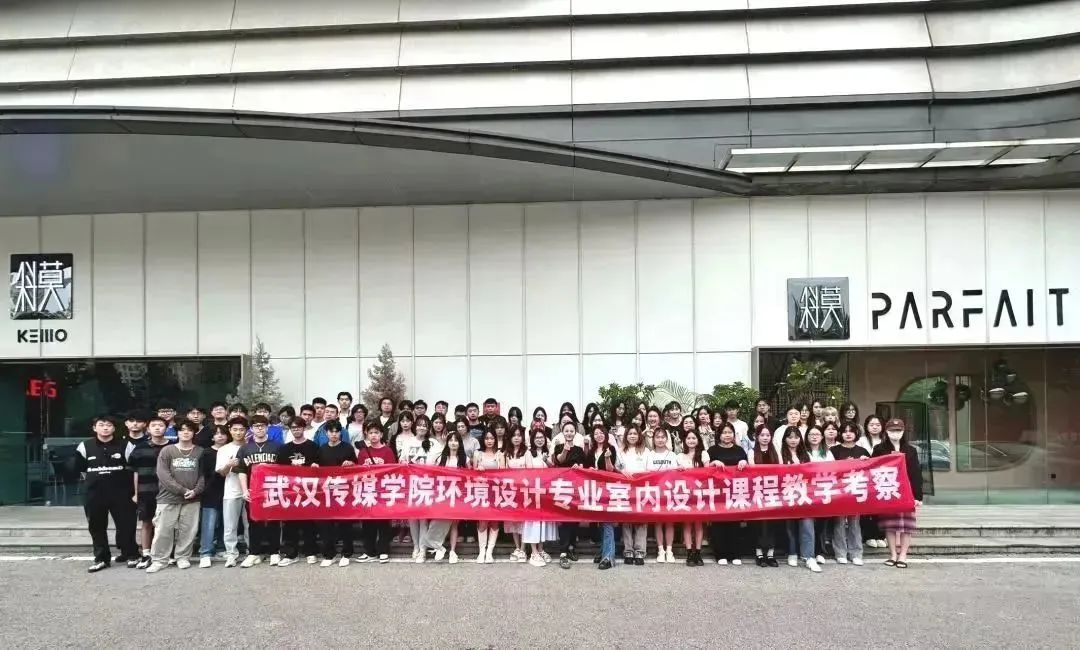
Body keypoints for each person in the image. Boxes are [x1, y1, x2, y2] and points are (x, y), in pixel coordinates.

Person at [76, 415, 141, 573]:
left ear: (114, 428)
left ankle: (131, 555)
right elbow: (81, 469)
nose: (105, 428)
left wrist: (135, 493)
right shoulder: (84, 446)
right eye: (101, 425)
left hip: (122, 493)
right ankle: (101, 558)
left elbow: (134, 469)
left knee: (126, 524)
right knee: (96, 526)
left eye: (109, 425)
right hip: (94, 494)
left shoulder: (126, 445)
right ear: (94, 428)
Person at [145, 420, 205, 573]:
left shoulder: (200, 451)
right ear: (177, 432)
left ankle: (182, 557)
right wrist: (182, 490)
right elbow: (163, 475)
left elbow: (203, 475)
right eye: (182, 429)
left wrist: (196, 491)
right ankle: (159, 560)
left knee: (188, 530)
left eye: (189, 430)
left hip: (192, 499)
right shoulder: (167, 451)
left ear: (194, 432)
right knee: (163, 530)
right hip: (168, 498)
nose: (186, 432)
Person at [872, 418, 924, 569]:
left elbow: (916, 474)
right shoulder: (879, 449)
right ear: (886, 432)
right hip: (888, 490)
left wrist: (918, 496)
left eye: (898, 430)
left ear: (903, 432)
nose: (895, 433)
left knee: (907, 525)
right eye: (892, 430)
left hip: (907, 492)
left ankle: (903, 555)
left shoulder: (911, 450)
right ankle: (893, 554)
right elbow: (873, 467)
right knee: (890, 524)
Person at [126, 413, 172, 569]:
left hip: (168, 492)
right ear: (148, 429)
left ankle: (166, 553)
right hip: (146, 491)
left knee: (167, 523)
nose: (157, 428)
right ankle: (146, 554)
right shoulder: (140, 448)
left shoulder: (173, 447)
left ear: (166, 428)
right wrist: (135, 493)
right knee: (146, 522)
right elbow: (135, 472)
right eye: (154, 425)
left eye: (161, 425)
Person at [237, 415, 282, 568]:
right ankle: (254, 553)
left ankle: (274, 552)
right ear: (251, 429)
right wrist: (244, 490)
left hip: (272, 489)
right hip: (254, 490)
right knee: (254, 522)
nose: (260, 428)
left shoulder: (277, 447)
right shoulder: (245, 448)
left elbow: (283, 470)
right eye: (256, 426)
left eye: (262, 425)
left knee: (273, 521)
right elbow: (241, 471)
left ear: (267, 427)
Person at [276, 418, 320, 567]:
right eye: (293, 428)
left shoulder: (313, 446)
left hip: (308, 490)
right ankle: (290, 554)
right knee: (290, 523)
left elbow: (320, 467)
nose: (296, 430)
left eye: (299, 427)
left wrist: (315, 466)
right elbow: (279, 469)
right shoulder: (284, 449)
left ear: (304, 428)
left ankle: (311, 552)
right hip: (290, 491)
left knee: (309, 523)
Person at [779, 427, 821, 573]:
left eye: (796, 437)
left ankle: (809, 557)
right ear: (785, 439)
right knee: (790, 525)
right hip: (787, 494)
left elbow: (813, 473)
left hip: (804, 494)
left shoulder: (806, 454)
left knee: (807, 525)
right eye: (790, 437)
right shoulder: (780, 454)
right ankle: (792, 552)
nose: (793, 440)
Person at [423, 431, 468, 564]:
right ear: (447, 442)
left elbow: (470, 476)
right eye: (451, 440)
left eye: (456, 440)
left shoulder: (465, 459)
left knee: (454, 524)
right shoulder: (440, 458)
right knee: (437, 521)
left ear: (459, 443)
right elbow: (433, 474)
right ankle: (438, 546)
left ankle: (453, 551)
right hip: (442, 495)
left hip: (457, 495)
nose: (453, 443)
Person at [316, 420, 357, 568]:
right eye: (331, 431)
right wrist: (314, 466)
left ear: (341, 433)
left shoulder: (347, 448)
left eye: (336, 431)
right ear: (326, 433)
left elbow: (356, 467)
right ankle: (329, 554)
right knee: (326, 525)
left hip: (343, 491)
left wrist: (351, 464)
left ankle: (346, 554)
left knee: (345, 524)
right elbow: (316, 468)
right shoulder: (321, 449)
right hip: (326, 492)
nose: (334, 434)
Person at [706, 421, 748, 565]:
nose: (727, 435)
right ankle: (720, 554)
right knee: (719, 523)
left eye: (730, 432)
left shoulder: (739, 450)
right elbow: (704, 469)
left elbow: (747, 467)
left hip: (736, 491)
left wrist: (744, 463)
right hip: (718, 491)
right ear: (719, 434)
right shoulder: (712, 450)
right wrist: (713, 463)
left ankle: (735, 554)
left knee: (735, 523)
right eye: (724, 432)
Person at [358, 419, 396, 563]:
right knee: (368, 522)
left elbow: (392, 470)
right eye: (371, 433)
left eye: (376, 432)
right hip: (368, 490)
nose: (373, 435)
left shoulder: (387, 451)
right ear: (366, 435)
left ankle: (383, 550)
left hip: (383, 490)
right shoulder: (363, 452)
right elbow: (358, 472)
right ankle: (369, 551)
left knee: (383, 522)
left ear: (381, 434)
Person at [831, 423, 870, 566]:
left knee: (855, 522)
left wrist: (864, 462)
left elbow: (870, 470)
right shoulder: (833, 450)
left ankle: (856, 553)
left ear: (856, 433)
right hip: (839, 491)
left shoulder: (862, 450)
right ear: (840, 434)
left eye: (851, 431)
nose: (848, 434)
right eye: (845, 431)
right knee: (839, 522)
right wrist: (844, 464)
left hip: (856, 491)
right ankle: (840, 553)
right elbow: (828, 470)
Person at [393, 412, 427, 561]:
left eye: (425, 425)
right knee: (412, 516)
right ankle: (416, 546)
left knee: (423, 518)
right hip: (410, 482)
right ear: (415, 426)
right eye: (419, 425)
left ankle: (423, 549)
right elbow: (401, 460)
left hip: (426, 483)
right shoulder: (408, 442)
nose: (422, 428)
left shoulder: (433, 443)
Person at [553, 421, 587, 569]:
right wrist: (565, 451)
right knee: (564, 519)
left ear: (575, 432)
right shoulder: (558, 447)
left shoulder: (579, 449)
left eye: (571, 431)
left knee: (574, 519)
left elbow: (584, 466)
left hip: (576, 488)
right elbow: (558, 461)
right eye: (566, 431)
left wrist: (579, 467)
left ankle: (572, 547)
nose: (569, 433)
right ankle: (563, 552)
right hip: (562, 487)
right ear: (562, 432)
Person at [217, 416, 248, 568]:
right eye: (235, 429)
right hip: (231, 490)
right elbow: (221, 473)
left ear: (246, 430)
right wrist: (228, 464)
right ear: (230, 430)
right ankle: (231, 553)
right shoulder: (224, 449)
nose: (238, 432)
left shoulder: (251, 446)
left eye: (241, 429)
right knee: (230, 525)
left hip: (250, 490)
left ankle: (251, 552)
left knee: (250, 524)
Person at [644, 427, 679, 564]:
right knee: (658, 522)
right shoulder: (650, 454)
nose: (660, 439)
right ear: (653, 439)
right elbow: (647, 473)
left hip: (670, 492)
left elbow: (676, 473)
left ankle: (669, 550)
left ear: (667, 439)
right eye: (657, 437)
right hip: (655, 492)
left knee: (669, 522)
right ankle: (660, 550)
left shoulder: (672, 455)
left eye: (663, 437)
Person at [587, 425, 619, 570]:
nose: (599, 435)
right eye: (596, 433)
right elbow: (586, 468)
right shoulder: (591, 451)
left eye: (601, 433)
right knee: (600, 522)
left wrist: (607, 458)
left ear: (605, 435)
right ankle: (603, 550)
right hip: (595, 490)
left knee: (607, 522)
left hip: (608, 489)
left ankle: (608, 557)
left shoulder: (610, 449)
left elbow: (610, 470)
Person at [748, 425, 779, 567]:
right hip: (758, 490)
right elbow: (752, 470)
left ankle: (771, 554)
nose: (765, 438)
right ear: (757, 437)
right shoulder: (751, 452)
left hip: (774, 491)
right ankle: (759, 553)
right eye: (762, 435)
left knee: (772, 522)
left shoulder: (775, 451)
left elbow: (782, 469)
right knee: (758, 523)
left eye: (768, 435)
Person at [197, 424, 228, 568]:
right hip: (210, 490)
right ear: (212, 437)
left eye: (223, 433)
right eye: (217, 433)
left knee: (225, 521)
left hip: (228, 489)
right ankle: (205, 552)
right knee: (209, 523)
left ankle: (221, 548)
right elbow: (203, 473)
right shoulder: (207, 452)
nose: (220, 436)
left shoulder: (231, 450)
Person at [677, 428, 708, 567]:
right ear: (685, 440)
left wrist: (715, 463)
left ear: (698, 440)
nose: (691, 440)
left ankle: (698, 553)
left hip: (700, 492)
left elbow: (708, 471)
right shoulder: (680, 456)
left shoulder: (704, 454)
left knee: (699, 523)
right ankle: (689, 552)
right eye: (688, 438)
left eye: (693, 438)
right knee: (687, 523)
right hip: (685, 493)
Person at [618, 425, 649, 566]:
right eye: (630, 433)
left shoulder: (645, 451)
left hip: (642, 488)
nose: (632, 436)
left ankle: (640, 551)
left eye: (635, 433)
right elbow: (616, 468)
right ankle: (628, 550)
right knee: (627, 520)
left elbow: (650, 469)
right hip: (625, 488)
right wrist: (622, 472)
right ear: (626, 436)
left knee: (641, 519)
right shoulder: (620, 451)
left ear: (639, 436)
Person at [473, 428, 504, 564]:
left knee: (495, 521)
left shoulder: (500, 454)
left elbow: (504, 473)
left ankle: (489, 552)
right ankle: (482, 551)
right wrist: (477, 470)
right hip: (481, 491)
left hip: (496, 492)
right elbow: (472, 474)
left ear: (495, 440)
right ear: (483, 440)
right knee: (482, 521)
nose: (489, 441)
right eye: (487, 438)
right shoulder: (478, 454)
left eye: (492, 438)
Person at [805, 426, 834, 563]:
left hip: (823, 491)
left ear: (822, 437)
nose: (814, 437)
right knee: (809, 524)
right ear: (807, 437)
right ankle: (809, 552)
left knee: (821, 524)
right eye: (811, 434)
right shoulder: (803, 452)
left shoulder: (827, 453)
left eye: (817, 434)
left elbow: (834, 469)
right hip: (807, 491)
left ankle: (819, 551)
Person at [859, 414, 887, 548]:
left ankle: (880, 535)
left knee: (881, 508)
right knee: (866, 508)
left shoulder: (886, 440)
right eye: (871, 425)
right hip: (866, 478)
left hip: (882, 478)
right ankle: (868, 536)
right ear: (866, 426)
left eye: (877, 425)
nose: (874, 427)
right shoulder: (861, 440)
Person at [504, 426, 529, 563]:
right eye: (514, 435)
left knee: (524, 520)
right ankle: (517, 547)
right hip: (510, 491)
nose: (517, 438)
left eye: (519, 435)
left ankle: (523, 549)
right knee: (513, 520)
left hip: (523, 490)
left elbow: (531, 472)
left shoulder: (527, 452)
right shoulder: (506, 453)